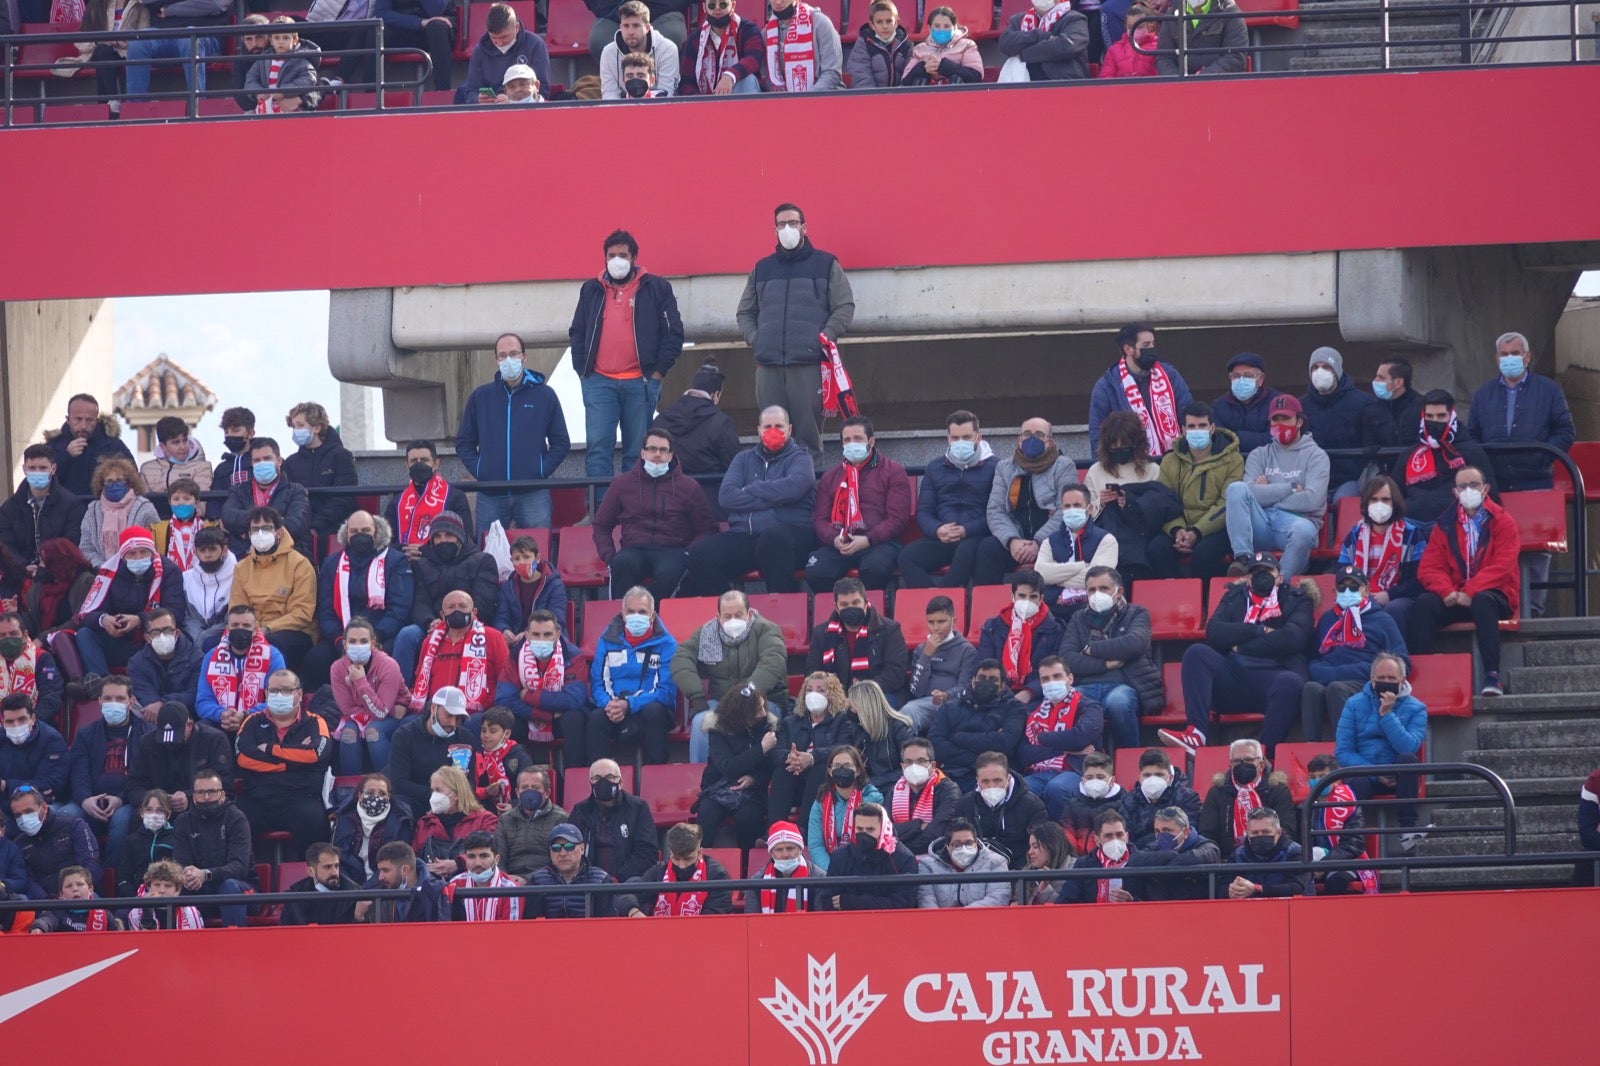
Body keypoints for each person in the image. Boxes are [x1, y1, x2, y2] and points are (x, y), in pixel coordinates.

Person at [1162, 552, 1314, 758]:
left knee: (1292, 683)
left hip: (1273, 677)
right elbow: (1214, 631)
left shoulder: (1297, 599)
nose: (1262, 575)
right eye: (1256, 571)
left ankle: (1261, 755)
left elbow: (1292, 639)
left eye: (1267, 571)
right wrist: (1256, 630)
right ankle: (1196, 734)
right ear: (1248, 578)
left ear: (1279, 577)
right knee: (1196, 653)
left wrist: (1240, 646)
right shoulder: (1234, 596)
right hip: (1233, 677)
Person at [1465, 331, 1574, 618]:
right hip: (1496, 485)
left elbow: (1565, 431)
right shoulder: (1482, 394)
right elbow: (1471, 436)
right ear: (1496, 358)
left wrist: (1542, 455)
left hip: (1535, 480)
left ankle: (1533, 614)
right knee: (1494, 550)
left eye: (1515, 353)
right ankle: (1501, 611)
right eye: (1504, 353)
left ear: (1527, 357)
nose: (1509, 358)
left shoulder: (1549, 390)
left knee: (1537, 554)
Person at [737, 206, 855, 457]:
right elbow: (744, 313)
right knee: (771, 437)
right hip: (768, 368)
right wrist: (757, 341)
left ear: (804, 227)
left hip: (809, 366)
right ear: (774, 229)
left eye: (792, 222)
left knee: (808, 441)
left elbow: (844, 307)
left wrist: (824, 337)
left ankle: (807, 493)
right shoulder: (761, 268)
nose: (787, 229)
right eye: (781, 224)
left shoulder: (826, 264)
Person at [569, 229, 685, 482]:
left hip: (641, 383)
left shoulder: (657, 288)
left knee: (638, 452)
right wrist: (582, 370)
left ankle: (634, 511)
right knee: (598, 450)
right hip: (598, 382)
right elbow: (577, 331)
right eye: (611, 255)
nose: (617, 260)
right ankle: (601, 511)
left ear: (634, 258)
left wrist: (657, 373)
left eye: (623, 255)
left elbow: (673, 333)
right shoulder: (590, 289)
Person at [1409, 465, 1519, 696]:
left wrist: (1471, 590)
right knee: (1424, 603)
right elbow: (1429, 567)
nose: (1468, 490)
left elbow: (1503, 566)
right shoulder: (1444, 523)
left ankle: (1492, 676)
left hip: (1495, 595)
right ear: (1455, 492)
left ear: (1486, 488)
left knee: (1482, 601)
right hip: (1456, 595)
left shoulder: (1503, 521)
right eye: (1463, 486)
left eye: (1474, 485)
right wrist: (1446, 590)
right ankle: (1419, 676)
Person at [683, 407, 816, 595]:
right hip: (745, 534)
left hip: (788, 535)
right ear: (758, 430)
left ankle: (781, 613)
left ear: (790, 429)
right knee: (700, 555)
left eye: (779, 426)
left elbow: (796, 487)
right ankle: (732, 611)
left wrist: (753, 488)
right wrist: (777, 497)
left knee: (773, 540)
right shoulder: (743, 459)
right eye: (767, 426)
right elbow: (727, 497)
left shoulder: (801, 458)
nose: (773, 430)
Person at [456, 333, 572, 531]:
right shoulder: (481, 397)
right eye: (502, 355)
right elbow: (464, 442)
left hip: (533, 493)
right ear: (496, 360)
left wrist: (541, 470)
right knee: (488, 554)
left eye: (513, 353)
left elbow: (561, 442)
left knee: (539, 551)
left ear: (524, 357)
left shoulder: (545, 395)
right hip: (491, 494)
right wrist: (481, 470)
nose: (508, 359)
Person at [592, 428, 713, 604]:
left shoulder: (689, 487)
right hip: (634, 549)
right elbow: (601, 525)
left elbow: (706, 528)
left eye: (663, 450)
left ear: (671, 455)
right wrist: (609, 556)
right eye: (652, 449)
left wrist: (689, 553)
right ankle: (622, 621)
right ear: (642, 453)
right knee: (621, 565)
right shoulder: (621, 484)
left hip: (673, 551)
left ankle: (652, 617)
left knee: (673, 571)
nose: (657, 454)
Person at [675, 590, 788, 765]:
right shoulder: (706, 633)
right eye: (727, 616)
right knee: (700, 723)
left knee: (766, 720)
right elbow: (681, 658)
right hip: (722, 702)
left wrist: (747, 696)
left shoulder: (767, 629)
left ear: (749, 614)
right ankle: (702, 779)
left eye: (738, 615)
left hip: (763, 701)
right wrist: (696, 695)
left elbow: (772, 662)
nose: (732, 620)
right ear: (718, 617)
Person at [1224, 394, 1329, 579]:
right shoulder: (1259, 454)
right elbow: (1248, 491)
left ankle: (1279, 584)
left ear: (1299, 421)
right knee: (1236, 489)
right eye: (1275, 419)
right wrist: (1291, 487)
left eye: (1286, 418)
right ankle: (1243, 560)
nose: (1280, 423)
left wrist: (1267, 495)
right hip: (1262, 521)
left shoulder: (1317, 455)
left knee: (1303, 530)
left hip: (1297, 523)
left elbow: (1312, 500)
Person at [1302, 565, 1409, 741]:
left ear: (1366, 590)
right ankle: (1311, 747)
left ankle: (1344, 747)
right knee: (1310, 688)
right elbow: (1313, 658)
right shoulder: (1327, 619)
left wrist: (1362, 671)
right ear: (1334, 592)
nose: (1347, 591)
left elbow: (1402, 661)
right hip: (1330, 678)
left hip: (1364, 681)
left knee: (1336, 688)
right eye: (1342, 587)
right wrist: (1328, 672)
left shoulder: (1383, 620)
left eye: (1354, 587)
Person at [805, 416, 912, 592]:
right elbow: (820, 520)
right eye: (847, 440)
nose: (852, 443)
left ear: (871, 441)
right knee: (817, 571)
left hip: (878, 543)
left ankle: (870, 616)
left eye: (857, 439)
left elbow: (897, 519)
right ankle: (836, 614)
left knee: (874, 569)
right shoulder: (831, 477)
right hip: (839, 544)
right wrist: (835, 539)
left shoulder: (893, 471)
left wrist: (868, 539)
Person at [1061, 567, 1161, 752]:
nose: (1097, 594)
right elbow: (1067, 659)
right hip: (1086, 686)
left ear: (1119, 591)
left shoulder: (1136, 613)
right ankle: (1090, 762)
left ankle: (1129, 757)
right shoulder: (1078, 618)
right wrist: (1105, 664)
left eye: (1104, 588)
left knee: (1119, 703)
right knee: (1068, 703)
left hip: (1124, 684)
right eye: (1092, 590)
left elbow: (1134, 644)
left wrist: (1092, 649)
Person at [396, 512, 502, 685]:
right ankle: (401, 696)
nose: (443, 540)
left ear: (460, 536)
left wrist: (454, 622)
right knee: (407, 635)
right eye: (437, 536)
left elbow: (484, 601)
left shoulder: (483, 560)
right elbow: (419, 600)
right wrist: (430, 622)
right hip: (433, 624)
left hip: (470, 623)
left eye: (449, 535)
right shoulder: (421, 564)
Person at [1334, 654, 1428, 849]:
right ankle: (1352, 840)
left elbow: (1410, 747)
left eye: (1391, 679)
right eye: (1381, 678)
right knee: (1355, 781)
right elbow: (1343, 752)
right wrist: (1376, 773)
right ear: (1372, 680)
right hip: (1366, 773)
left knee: (1408, 759)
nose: (1386, 683)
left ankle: (1408, 829)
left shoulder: (1417, 708)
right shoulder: (1353, 704)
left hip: (1399, 774)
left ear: (1402, 681)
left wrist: (1387, 714)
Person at [310, 513, 414, 687]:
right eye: (354, 531)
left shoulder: (396, 561)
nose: (360, 535)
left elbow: (400, 608)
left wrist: (374, 638)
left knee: (387, 658)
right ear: (346, 534)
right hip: (341, 635)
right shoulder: (332, 563)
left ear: (376, 532)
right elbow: (325, 609)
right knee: (315, 660)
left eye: (366, 530)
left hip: (381, 635)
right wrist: (340, 641)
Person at [899, 410, 997, 589]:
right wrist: (937, 530)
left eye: (966, 437)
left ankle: (943, 602)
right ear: (948, 439)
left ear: (978, 437)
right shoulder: (935, 468)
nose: (961, 442)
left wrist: (966, 530)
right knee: (907, 556)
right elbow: (924, 512)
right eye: (955, 438)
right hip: (942, 537)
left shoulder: (995, 467)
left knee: (966, 552)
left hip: (976, 536)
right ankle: (930, 601)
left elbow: (996, 513)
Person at [234, 669, 331, 850]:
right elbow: (244, 757)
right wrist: (290, 763)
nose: (280, 695)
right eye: (274, 690)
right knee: (234, 821)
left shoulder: (316, 722)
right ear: (266, 693)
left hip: (301, 798)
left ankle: (314, 877)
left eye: (287, 690)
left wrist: (270, 749)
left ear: (300, 694)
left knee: (315, 823)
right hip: (258, 799)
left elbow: (314, 754)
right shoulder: (251, 722)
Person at [73, 527, 185, 681]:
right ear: (123, 556)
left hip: (152, 638)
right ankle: (102, 683)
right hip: (120, 639)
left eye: (143, 552)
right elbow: (88, 613)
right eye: (132, 554)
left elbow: (176, 612)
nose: (138, 557)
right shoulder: (108, 573)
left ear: (152, 553)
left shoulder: (169, 571)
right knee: (85, 634)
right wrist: (104, 620)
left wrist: (140, 620)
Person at [980, 419, 1075, 586]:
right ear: (1019, 440)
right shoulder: (1004, 467)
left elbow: (1066, 509)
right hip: (1016, 540)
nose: (1032, 439)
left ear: (1050, 441)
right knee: (987, 549)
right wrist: (1011, 540)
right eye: (1027, 435)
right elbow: (995, 510)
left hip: (1050, 540)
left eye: (1039, 435)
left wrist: (1039, 542)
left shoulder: (1063, 466)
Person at [588, 587, 677, 765]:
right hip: (615, 709)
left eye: (642, 612)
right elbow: (598, 683)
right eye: (631, 611)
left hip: (649, 709)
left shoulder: (667, 644)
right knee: (596, 718)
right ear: (622, 614)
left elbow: (666, 692)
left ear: (652, 616)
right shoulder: (607, 640)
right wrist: (609, 705)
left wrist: (629, 704)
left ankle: (656, 777)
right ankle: (600, 778)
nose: (636, 616)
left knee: (654, 713)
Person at [66, 676, 146, 862]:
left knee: (121, 821)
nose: (113, 703)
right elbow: (79, 773)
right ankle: (75, 879)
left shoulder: (145, 734)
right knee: (66, 816)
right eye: (108, 699)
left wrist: (121, 798)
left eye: (119, 699)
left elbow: (143, 777)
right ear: (99, 701)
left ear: (131, 702)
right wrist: (85, 799)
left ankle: (112, 878)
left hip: (127, 802)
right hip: (89, 800)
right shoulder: (85, 734)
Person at [1337, 475, 1428, 639]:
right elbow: (1342, 572)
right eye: (1374, 499)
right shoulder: (1355, 535)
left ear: (1395, 503)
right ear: (1366, 503)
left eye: (1385, 500)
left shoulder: (1412, 534)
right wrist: (1359, 593)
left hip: (1400, 597)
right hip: (1361, 594)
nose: (1380, 505)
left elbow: (1419, 579)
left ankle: (1395, 659)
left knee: (1394, 609)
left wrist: (1389, 595)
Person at [650, 360, 743, 519]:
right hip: (711, 505)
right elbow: (735, 466)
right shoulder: (720, 422)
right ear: (716, 394)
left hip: (666, 503)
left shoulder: (662, 419)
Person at [768, 671, 862, 827]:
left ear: (832, 694)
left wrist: (811, 758)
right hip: (794, 779)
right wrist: (792, 758)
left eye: (821, 690)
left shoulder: (842, 720)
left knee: (819, 769)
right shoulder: (790, 722)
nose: (814, 694)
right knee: (782, 771)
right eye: (809, 690)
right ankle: (775, 831)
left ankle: (804, 831)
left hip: (823, 781)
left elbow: (843, 748)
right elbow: (775, 751)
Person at [229, 507, 318, 672]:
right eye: (255, 529)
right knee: (212, 643)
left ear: (279, 532)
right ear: (249, 535)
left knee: (273, 644)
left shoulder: (300, 564)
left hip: (294, 631)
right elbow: (237, 608)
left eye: (266, 528)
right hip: (252, 629)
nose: (260, 534)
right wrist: (252, 629)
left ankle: (278, 689)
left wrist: (267, 629)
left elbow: (302, 614)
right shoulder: (242, 567)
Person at [1018, 657, 1105, 820]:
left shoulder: (1089, 706)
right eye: (1045, 679)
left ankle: (1062, 840)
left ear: (1070, 679)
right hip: (1040, 771)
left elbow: (1080, 736)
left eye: (1057, 676)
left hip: (1076, 771)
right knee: (1020, 790)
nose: (1051, 682)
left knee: (1056, 788)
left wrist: (1042, 738)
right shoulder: (1033, 712)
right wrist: (1065, 749)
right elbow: (1024, 753)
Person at [495, 609, 589, 759]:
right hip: (530, 716)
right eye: (536, 635)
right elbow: (503, 700)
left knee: (574, 719)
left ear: (558, 634)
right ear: (527, 635)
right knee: (506, 721)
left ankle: (573, 777)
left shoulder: (573, 655)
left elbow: (573, 700)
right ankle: (517, 777)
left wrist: (528, 696)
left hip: (561, 718)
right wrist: (546, 715)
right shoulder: (515, 655)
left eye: (547, 635)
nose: (542, 640)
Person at [1088, 325, 1193, 458]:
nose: (1152, 349)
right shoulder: (1107, 386)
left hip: (1175, 462)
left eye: (1153, 344)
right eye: (1146, 345)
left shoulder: (1169, 375)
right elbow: (1097, 434)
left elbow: (1188, 414)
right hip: (1131, 465)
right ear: (1128, 349)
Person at [404, 590, 511, 719]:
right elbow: (420, 680)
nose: (457, 610)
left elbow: (506, 678)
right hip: (434, 711)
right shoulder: (430, 642)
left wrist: (487, 704)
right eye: (451, 607)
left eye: (462, 606)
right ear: (443, 615)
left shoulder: (492, 637)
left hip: (476, 712)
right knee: (407, 724)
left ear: (474, 612)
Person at [1392, 391, 1494, 526]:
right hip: (1413, 527)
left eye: (1441, 416)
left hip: (1457, 526)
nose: (1435, 421)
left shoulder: (1471, 452)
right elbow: (1394, 494)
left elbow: (1491, 495)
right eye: (1429, 416)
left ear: (1451, 416)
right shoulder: (1409, 454)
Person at [170, 769, 253, 927]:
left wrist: (206, 874)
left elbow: (240, 867)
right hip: (200, 888)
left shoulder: (236, 818)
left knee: (229, 886)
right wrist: (188, 875)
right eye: (201, 792)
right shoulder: (182, 822)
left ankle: (235, 945)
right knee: (170, 887)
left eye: (211, 792)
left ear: (222, 794)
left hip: (241, 888)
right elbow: (180, 862)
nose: (206, 797)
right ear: (193, 796)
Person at [696, 684, 774, 851]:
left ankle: (747, 865)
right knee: (707, 811)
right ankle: (700, 861)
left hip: (752, 791)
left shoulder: (768, 728)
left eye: (763, 706)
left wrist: (754, 779)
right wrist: (761, 749)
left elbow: (772, 766)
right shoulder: (718, 729)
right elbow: (728, 766)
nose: (764, 713)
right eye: (758, 709)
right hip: (718, 787)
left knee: (748, 817)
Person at [805, 578, 909, 703]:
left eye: (855, 602)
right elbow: (812, 672)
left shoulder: (889, 629)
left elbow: (895, 672)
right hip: (835, 696)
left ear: (866, 602)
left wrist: (862, 693)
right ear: (836, 608)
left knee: (866, 707)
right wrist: (836, 696)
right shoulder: (821, 633)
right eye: (844, 605)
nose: (851, 608)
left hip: (879, 694)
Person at [125, 703, 236, 818]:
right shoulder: (146, 743)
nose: (171, 743)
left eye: (176, 736)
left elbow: (224, 784)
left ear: (190, 725)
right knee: (126, 819)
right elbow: (134, 786)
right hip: (156, 812)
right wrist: (155, 799)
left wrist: (190, 798)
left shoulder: (214, 740)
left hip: (201, 810)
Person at [927, 663, 1025, 793]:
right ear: (973, 681)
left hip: (996, 777)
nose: (986, 682)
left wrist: (958, 737)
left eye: (993, 679)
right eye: (981, 678)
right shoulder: (950, 707)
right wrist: (980, 755)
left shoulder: (1014, 708)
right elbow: (935, 744)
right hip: (953, 773)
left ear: (1002, 685)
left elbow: (1006, 743)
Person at [328, 619, 407, 776]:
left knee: (373, 732)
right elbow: (346, 708)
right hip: (373, 713)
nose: (358, 645)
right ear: (345, 645)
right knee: (348, 734)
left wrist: (360, 681)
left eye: (363, 641)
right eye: (352, 641)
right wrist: (379, 707)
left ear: (372, 644)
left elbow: (380, 713)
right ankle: (350, 789)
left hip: (390, 718)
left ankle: (388, 784)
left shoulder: (388, 665)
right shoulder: (337, 668)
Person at [1298, 346, 1379, 501]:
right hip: (1311, 480)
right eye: (1315, 367)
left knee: (1342, 501)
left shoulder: (1363, 402)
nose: (1319, 372)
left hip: (1350, 479)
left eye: (1326, 367)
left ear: (1337, 370)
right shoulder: (1301, 406)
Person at [386, 687, 480, 814]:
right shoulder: (404, 736)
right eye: (449, 715)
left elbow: (470, 783)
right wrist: (438, 796)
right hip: (415, 803)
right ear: (433, 708)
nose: (453, 723)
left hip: (454, 805)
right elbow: (398, 783)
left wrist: (450, 798)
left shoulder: (465, 737)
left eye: (458, 718)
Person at [1197, 739, 1296, 858]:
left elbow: (1287, 829)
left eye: (1249, 760)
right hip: (1228, 861)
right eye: (1237, 761)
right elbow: (1207, 834)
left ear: (1261, 765)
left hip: (1273, 858)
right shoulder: (1217, 792)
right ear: (1231, 765)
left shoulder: (1277, 790)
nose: (1242, 765)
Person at [976, 571, 1063, 704]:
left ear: (1041, 599)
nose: (1027, 602)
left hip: (1038, 696)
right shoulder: (992, 627)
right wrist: (1002, 691)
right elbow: (984, 664)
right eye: (1022, 596)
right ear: (1012, 596)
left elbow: (1054, 670)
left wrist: (1029, 692)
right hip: (997, 692)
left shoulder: (1055, 629)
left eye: (1033, 597)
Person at [196, 605, 287, 731]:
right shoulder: (211, 657)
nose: (240, 629)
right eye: (235, 625)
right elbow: (203, 701)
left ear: (255, 630)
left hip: (257, 722)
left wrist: (246, 715)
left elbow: (279, 699)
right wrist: (222, 714)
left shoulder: (273, 656)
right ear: (227, 629)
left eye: (246, 626)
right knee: (202, 730)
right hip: (222, 722)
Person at [568, 758, 660, 882]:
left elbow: (647, 853)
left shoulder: (638, 808)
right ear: (590, 783)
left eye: (610, 777)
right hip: (588, 884)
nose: (603, 782)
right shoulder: (580, 810)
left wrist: (616, 879)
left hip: (627, 882)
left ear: (620, 782)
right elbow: (569, 848)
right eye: (597, 778)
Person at [952, 751, 1049, 868]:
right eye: (985, 781)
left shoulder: (1033, 805)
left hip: (1018, 872)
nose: (991, 786)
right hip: (975, 870)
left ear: (1008, 778)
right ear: (977, 780)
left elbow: (1039, 849)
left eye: (997, 780)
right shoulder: (965, 804)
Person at [814, 802, 917, 911]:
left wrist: (852, 902)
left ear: (884, 828)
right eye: (859, 829)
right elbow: (827, 901)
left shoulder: (904, 859)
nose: (864, 834)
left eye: (870, 830)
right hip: (846, 924)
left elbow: (903, 903)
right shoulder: (840, 856)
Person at [1, 446, 88, 574]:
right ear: (24, 469)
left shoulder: (72, 505)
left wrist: (45, 568)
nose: (37, 472)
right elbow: (6, 546)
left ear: (53, 469)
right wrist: (23, 566)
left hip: (59, 575)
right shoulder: (8, 508)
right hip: (20, 575)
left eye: (42, 468)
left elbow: (71, 544)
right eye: (32, 468)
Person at [618, 822, 735, 916]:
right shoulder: (659, 871)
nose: (682, 865)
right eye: (676, 858)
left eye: (688, 859)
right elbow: (628, 893)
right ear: (670, 852)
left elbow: (712, 920)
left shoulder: (718, 876)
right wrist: (634, 912)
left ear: (700, 853)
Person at [220, 438, 312, 559]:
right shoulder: (238, 490)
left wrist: (250, 532)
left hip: (285, 558)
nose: (262, 463)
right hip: (245, 558)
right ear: (252, 463)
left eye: (267, 458)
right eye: (257, 460)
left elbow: (296, 525)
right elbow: (228, 517)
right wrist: (275, 522)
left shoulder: (296, 490)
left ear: (279, 461)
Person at [384, 441, 476, 560]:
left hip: (442, 564)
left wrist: (425, 551)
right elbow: (385, 539)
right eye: (414, 461)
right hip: (403, 563)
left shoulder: (455, 497)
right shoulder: (397, 501)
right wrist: (404, 551)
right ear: (406, 465)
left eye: (424, 460)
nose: (419, 464)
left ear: (436, 464)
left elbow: (466, 537)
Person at [1299, 754, 1377, 895]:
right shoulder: (1303, 808)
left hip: (1345, 862)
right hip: (1311, 863)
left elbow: (1354, 844)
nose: (1317, 781)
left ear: (1336, 780)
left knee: (1336, 882)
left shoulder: (1348, 804)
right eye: (1312, 777)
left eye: (1322, 776)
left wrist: (1325, 863)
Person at [1034, 483, 1119, 609]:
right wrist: (1081, 566)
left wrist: (1055, 579)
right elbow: (1040, 575)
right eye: (1067, 506)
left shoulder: (1106, 540)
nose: (1072, 509)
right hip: (1056, 609)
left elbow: (1099, 579)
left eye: (1077, 505)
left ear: (1089, 508)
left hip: (1094, 610)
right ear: (1062, 510)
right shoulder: (1049, 542)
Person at [281, 401, 358, 539]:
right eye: (294, 426)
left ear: (317, 427)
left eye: (300, 425)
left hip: (335, 529)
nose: (296, 431)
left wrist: (316, 525)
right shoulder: (290, 463)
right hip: (299, 529)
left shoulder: (341, 457)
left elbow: (344, 499)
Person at [900, 596, 977, 733]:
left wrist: (946, 695)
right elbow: (915, 690)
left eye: (941, 622)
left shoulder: (967, 650)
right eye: (931, 622)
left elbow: (966, 688)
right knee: (904, 716)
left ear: (954, 621)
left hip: (955, 704)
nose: (935, 628)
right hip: (924, 703)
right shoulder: (921, 649)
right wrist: (926, 656)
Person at [413, 765, 499, 881]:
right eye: (432, 790)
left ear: (457, 794)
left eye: (438, 790)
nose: (434, 795)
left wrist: (458, 863)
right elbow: (414, 857)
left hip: (472, 885)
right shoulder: (424, 823)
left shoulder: (486, 820)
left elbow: (491, 852)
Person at [806, 744, 882, 871]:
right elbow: (815, 845)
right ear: (830, 771)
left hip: (864, 867)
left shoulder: (873, 799)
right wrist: (832, 871)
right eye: (836, 766)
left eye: (847, 766)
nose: (842, 769)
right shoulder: (820, 801)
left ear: (858, 770)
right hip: (830, 870)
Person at [331, 772, 415, 886]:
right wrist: (352, 890)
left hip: (386, 886)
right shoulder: (344, 819)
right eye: (370, 792)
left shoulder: (401, 821)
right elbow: (340, 858)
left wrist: (366, 892)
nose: (376, 797)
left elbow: (396, 862)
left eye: (382, 793)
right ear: (360, 795)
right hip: (349, 887)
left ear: (389, 797)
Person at [458, 2, 551, 103]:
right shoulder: (479, 51)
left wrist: (514, 101)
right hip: (489, 111)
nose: (499, 43)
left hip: (525, 110)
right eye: (493, 38)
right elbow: (471, 91)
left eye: (504, 37)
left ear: (516, 27)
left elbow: (543, 90)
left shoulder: (535, 45)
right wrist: (478, 99)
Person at [47, 394, 136, 499]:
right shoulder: (54, 445)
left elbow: (133, 478)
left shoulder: (113, 445)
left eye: (89, 420)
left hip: (102, 510)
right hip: (64, 511)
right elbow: (43, 481)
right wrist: (66, 456)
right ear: (68, 419)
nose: (84, 426)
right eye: (78, 419)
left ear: (96, 420)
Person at [78, 457, 160, 569]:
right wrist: (105, 567)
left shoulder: (145, 508)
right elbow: (86, 547)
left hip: (138, 569)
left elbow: (156, 542)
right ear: (102, 485)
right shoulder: (92, 510)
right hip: (101, 571)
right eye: (109, 481)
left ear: (129, 483)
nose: (114, 485)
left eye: (120, 480)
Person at [493, 765, 567, 881]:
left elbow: (561, 860)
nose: (529, 791)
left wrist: (529, 880)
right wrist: (504, 881)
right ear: (517, 792)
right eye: (524, 787)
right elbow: (498, 857)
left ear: (547, 793)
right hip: (510, 884)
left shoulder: (561, 818)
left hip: (546, 883)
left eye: (535, 788)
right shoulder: (505, 819)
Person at [887, 737, 959, 856]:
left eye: (921, 761)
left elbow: (936, 834)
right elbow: (886, 830)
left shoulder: (949, 790)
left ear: (933, 765)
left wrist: (900, 850)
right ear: (902, 766)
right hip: (898, 858)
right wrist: (917, 826)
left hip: (936, 858)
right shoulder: (894, 791)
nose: (914, 766)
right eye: (909, 762)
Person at [918, 817, 1012, 908]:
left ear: (976, 842)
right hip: (940, 921)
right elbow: (926, 899)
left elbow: (998, 897)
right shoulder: (928, 865)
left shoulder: (996, 862)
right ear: (947, 846)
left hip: (982, 920)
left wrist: (963, 916)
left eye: (969, 843)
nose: (964, 848)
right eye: (957, 844)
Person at [528, 822, 617, 918]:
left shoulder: (601, 880)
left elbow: (607, 925)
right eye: (556, 848)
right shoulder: (537, 880)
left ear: (582, 849)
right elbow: (530, 923)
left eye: (569, 847)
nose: (562, 853)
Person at [1136, 806, 1223, 902]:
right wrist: (1168, 855)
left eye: (1167, 830)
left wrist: (1162, 862)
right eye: (1157, 831)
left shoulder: (1207, 846)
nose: (1161, 836)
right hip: (1159, 910)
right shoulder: (1154, 846)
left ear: (1185, 832)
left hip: (1197, 909)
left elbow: (1201, 855)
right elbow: (1135, 860)